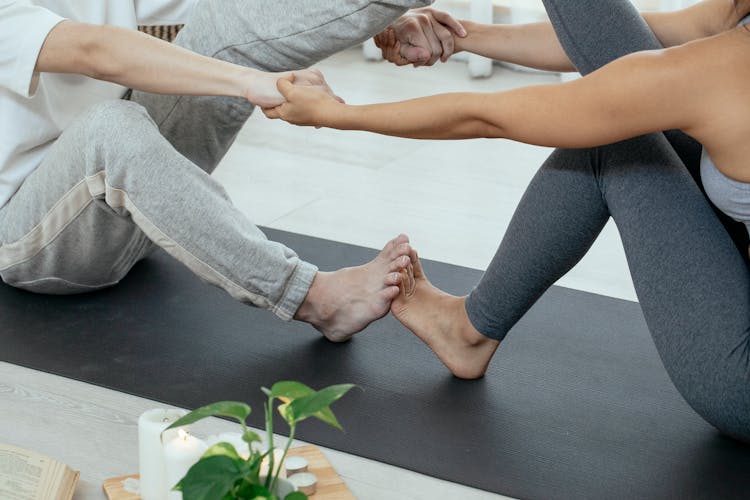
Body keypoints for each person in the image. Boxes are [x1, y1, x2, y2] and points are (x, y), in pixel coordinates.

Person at [266, 0, 750, 441]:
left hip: (740, 379)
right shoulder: (732, 28)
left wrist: (334, 115)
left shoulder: (730, 66)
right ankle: (471, 328)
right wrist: (459, 35)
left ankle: (469, 331)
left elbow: (487, 117)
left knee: (612, 139)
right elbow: (662, 36)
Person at [0, 1, 468, 342]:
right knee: (111, 127)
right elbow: (95, 51)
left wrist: (384, 22)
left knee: (224, 22)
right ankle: (313, 297)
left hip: (118, 199)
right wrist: (250, 82)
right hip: (33, 237)